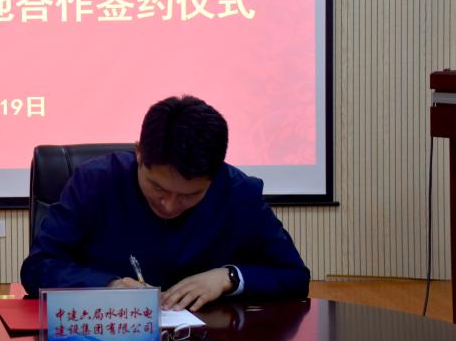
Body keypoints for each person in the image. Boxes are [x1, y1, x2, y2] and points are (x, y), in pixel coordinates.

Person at [20, 95, 310, 310]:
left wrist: (229, 277)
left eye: (189, 195)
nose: (169, 205)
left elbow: (294, 275)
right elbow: (39, 267)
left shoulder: (239, 192)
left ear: (216, 174)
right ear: (139, 153)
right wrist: (108, 285)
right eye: (157, 187)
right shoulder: (94, 182)